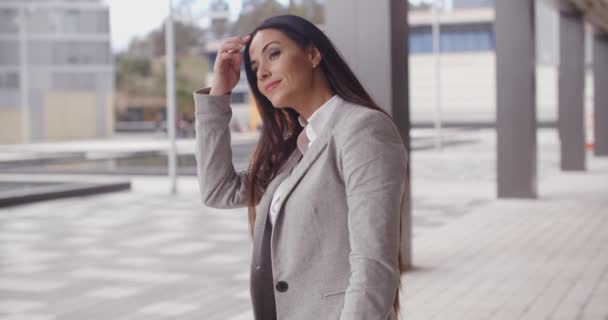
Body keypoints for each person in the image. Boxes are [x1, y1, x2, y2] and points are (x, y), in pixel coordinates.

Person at [194, 15, 408, 320]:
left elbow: (374, 264)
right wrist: (219, 94)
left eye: (274, 54)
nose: (262, 72)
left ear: (313, 54)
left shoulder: (362, 129)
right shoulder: (297, 145)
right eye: (254, 67)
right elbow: (219, 191)